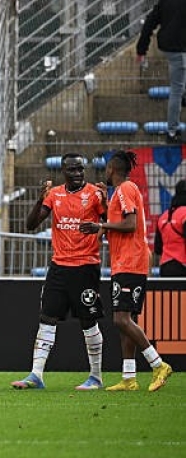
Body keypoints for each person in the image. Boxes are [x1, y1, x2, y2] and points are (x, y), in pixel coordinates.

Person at [11, 154, 107, 391]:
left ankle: (96, 377)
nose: (77, 174)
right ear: (63, 172)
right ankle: (36, 375)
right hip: (59, 267)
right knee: (47, 318)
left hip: (86, 265)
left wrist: (103, 222)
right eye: (72, 170)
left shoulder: (95, 194)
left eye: (80, 169)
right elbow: (31, 225)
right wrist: (39, 200)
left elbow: (110, 222)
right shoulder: (55, 195)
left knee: (88, 320)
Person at [80, 150, 174, 392]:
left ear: (112, 169)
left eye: (107, 168)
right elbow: (116, 222)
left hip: (131, 262)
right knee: (125, 321)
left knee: (121, 319)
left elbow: (130, 223)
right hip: (124, 262)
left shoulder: (126, 189)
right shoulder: (120, 193)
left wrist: (100, 224)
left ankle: (158, 364)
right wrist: (103, 205)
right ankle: (129, 378)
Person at [136, 0, 186, 143]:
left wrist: (141, 49)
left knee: (177, 87)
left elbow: (149, 23)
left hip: (169, 48)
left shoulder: (165, 0)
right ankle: (171, 131)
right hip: (182, 48)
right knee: (176, 90)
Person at [154, 179, 186, 277]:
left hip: (165, 267)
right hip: (182, 265)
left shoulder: (163, 216)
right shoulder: (184, 214)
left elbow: (158, 249)